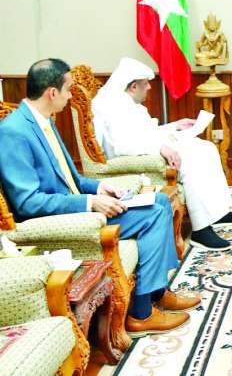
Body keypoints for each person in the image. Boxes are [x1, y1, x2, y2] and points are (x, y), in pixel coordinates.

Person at [0, 59, 199, 336]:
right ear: (52, 93)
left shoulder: (44, 121)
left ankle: (157, 293)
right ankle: (141, 313)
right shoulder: (14, 131)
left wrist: (100, 188)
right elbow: (28, 203)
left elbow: (71, 178)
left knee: (161, 201)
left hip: (78, 206)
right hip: (63, 220)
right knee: (154, 214)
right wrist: (89, 203)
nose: (71, 95)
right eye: (68, 89)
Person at [92, 57, 232, 250]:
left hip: (146, 150)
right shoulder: (115, 107)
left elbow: (146, 132)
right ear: (133, 87)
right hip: (132, 161)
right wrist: (161, 148)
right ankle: (201, 230)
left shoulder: (129, 104)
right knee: (192, 159)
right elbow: (123, 146)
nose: (149, 87)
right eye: (146, 84)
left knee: (206, 147)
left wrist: (176, 125)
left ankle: (219, 212)